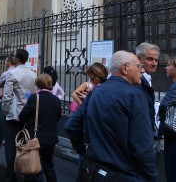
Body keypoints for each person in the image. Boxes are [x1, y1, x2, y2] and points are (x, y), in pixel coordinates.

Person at [65, 51, 158, 182]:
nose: (141, 70)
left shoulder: (96, 91)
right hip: (124, 174)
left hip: (92, 171)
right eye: (138, 66)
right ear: (125, 68)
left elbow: (71, 126)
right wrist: (152, 177)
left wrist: (86, 152)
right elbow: (143, 147)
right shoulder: (135, 96)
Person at [2, 48, 37, 182]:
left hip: (14, 114)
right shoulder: (33, 74)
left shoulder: (13, 73)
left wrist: (5, 111)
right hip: (27, 113)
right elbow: (34, 94)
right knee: (25, 143)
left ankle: (10, 175)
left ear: (17, 59)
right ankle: (27, 174)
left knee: (11, 145)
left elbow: (7, 95)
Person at [19, 73, 62, 182]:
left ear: (38, 84)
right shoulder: (56, 100)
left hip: (36, 138)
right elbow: (57, 117)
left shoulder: (35, 98)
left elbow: (22, 116)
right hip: (51, 138)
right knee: (49, 166)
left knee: (35, 168)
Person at [136, 42, 160, 138]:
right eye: (150, 59)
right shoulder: (135, 79)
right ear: (138, 58)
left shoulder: (148, 78)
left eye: (156, 60)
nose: (154, 64)